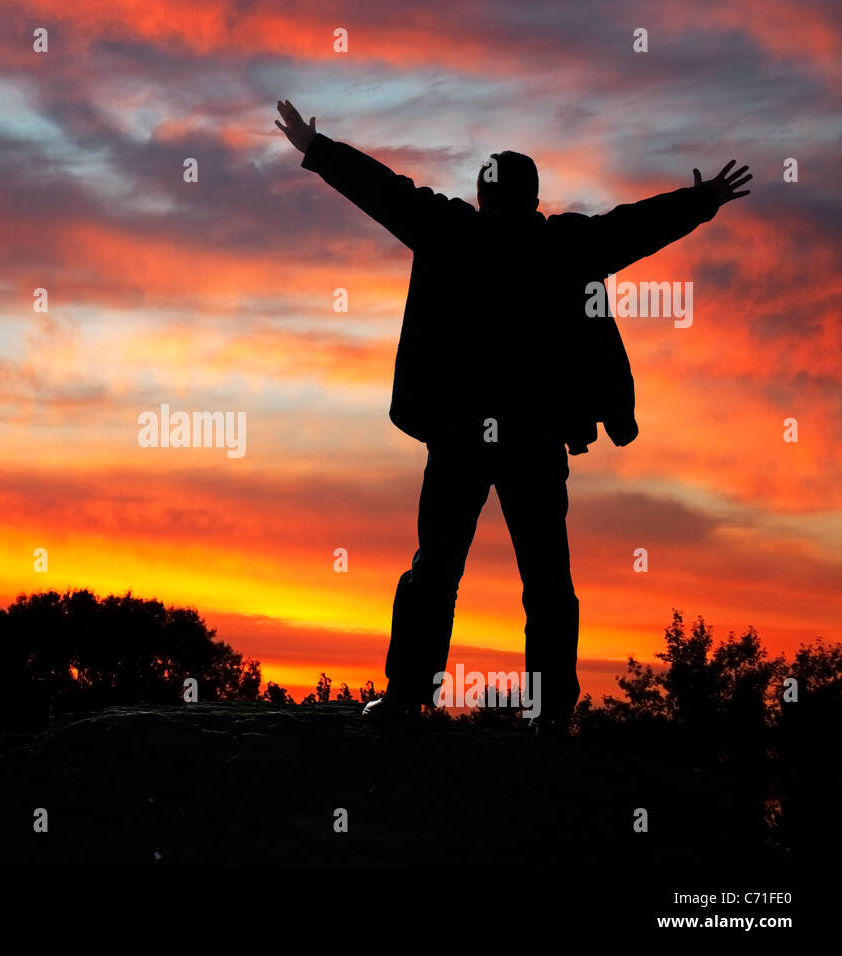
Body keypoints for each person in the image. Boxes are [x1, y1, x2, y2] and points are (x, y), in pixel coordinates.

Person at [274, 99, 751, 735]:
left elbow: (385, 191)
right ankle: (551, 714)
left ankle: (407, 697)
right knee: (547, 580)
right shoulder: (566, 245)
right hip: (534, 437)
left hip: (460, 435)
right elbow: (632, 228)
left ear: (481, 196)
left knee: (435, 569)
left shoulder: (451, 230)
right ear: (531, 198)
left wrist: (317, 146)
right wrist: (701, 201)